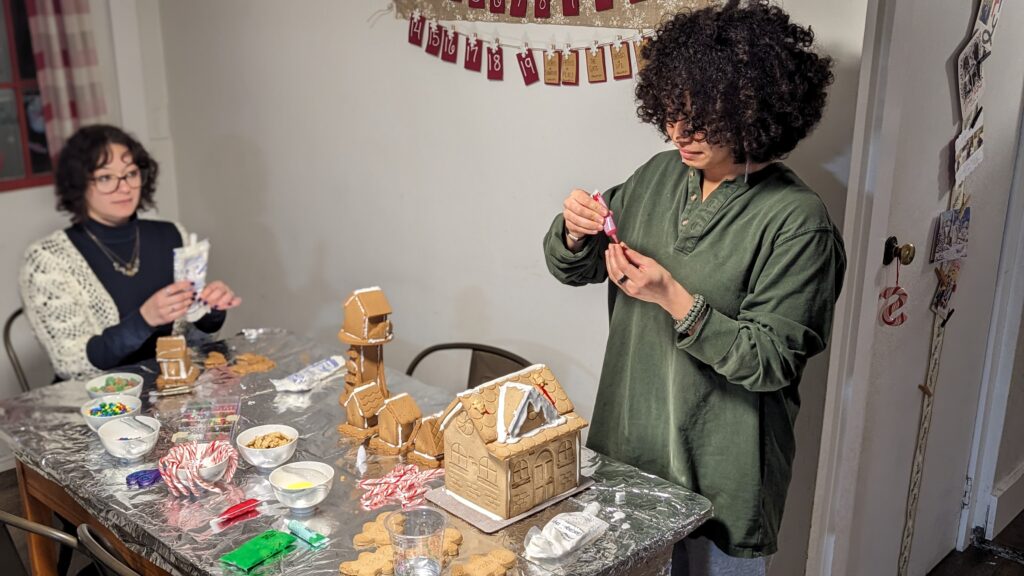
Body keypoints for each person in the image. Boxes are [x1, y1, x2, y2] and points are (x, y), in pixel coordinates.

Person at [543, 2, 846, 574]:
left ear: (755, 112)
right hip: (629, 448)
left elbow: (773, 360)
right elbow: (572, 268)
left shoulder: (798, 220)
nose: (677, 132)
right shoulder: (657, 176)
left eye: (701, 119)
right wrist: (575, 231)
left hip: (723, 470)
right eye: (672, 113)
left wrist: (672, 296)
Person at [19, 125, 241, 382]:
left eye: (130, 174)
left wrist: (209, 310)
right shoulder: (47, 259)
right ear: (79, 184)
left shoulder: (172, 234)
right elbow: (72, 364)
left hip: (172, 389)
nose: (123, 187)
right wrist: (144, 320)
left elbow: (196, 339)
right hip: (98, 402)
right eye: (105, 178)